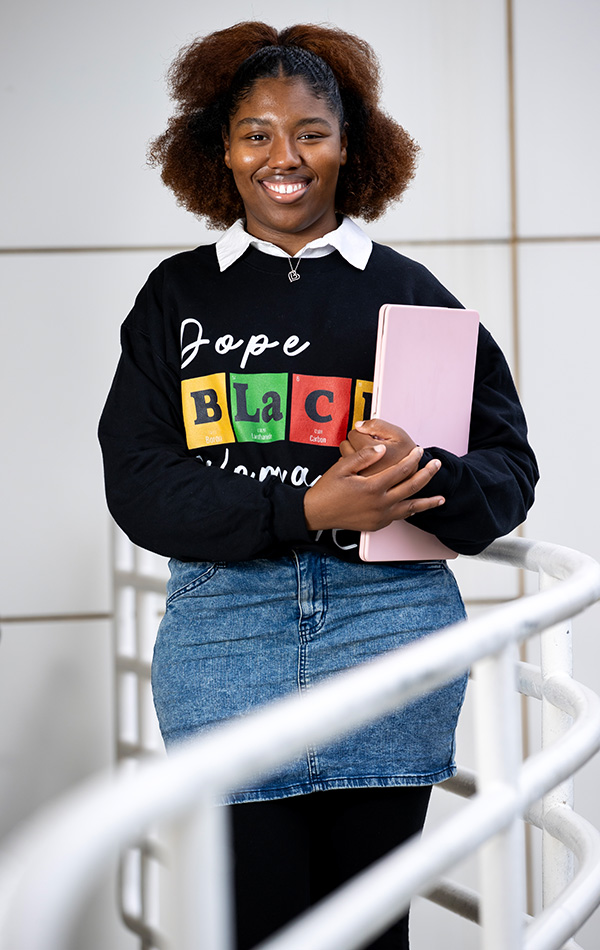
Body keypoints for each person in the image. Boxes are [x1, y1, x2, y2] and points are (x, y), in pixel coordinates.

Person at [98, 21, 538, 949]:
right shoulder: (176, 296)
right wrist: (305, 507)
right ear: (218, 148)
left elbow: (507, 473)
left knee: (369, 934)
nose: (283, 156)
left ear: (353, 147)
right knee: (258, 927)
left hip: (389, 629)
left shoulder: (413, 292)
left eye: (311, 131)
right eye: (256, 132)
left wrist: (420, 473)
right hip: (226, 635)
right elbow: (138, 484)